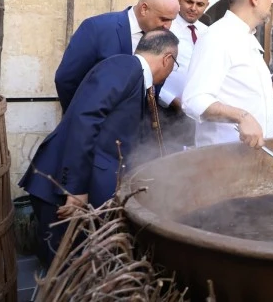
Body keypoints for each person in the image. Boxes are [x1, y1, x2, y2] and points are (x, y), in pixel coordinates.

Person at [19, 29, 179, 267]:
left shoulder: (136, 79)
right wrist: (74, 188)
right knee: (62, 273)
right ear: (167, 59)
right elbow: (85, 119)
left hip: (82, 191)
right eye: (174, 65)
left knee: (78, 272)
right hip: (62, 193)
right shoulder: (125, 66)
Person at [183, 0, 273, 148]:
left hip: (250, 160)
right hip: (224, 162)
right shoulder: (217, 37)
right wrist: (242, 116)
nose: (272, 1)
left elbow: (237, 92)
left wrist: (272, 87)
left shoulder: (246, 37)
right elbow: (194, 100)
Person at [55, 0, 179, 112]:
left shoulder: (162, 38)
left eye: (172, 20)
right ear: (144, 9)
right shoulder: (97, 28)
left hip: (139, 128)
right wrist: (83, 120)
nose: (167, 26)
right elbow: (66, 79)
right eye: (163, 19)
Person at [159, 0, 210, 146]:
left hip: (197, 113)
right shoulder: (164, 28)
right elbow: (149, 70)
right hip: (166, 110)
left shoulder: (208, 33)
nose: (193, 8)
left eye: (200, 4)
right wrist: (171, 100)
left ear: (206, 5)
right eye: (189, 2)